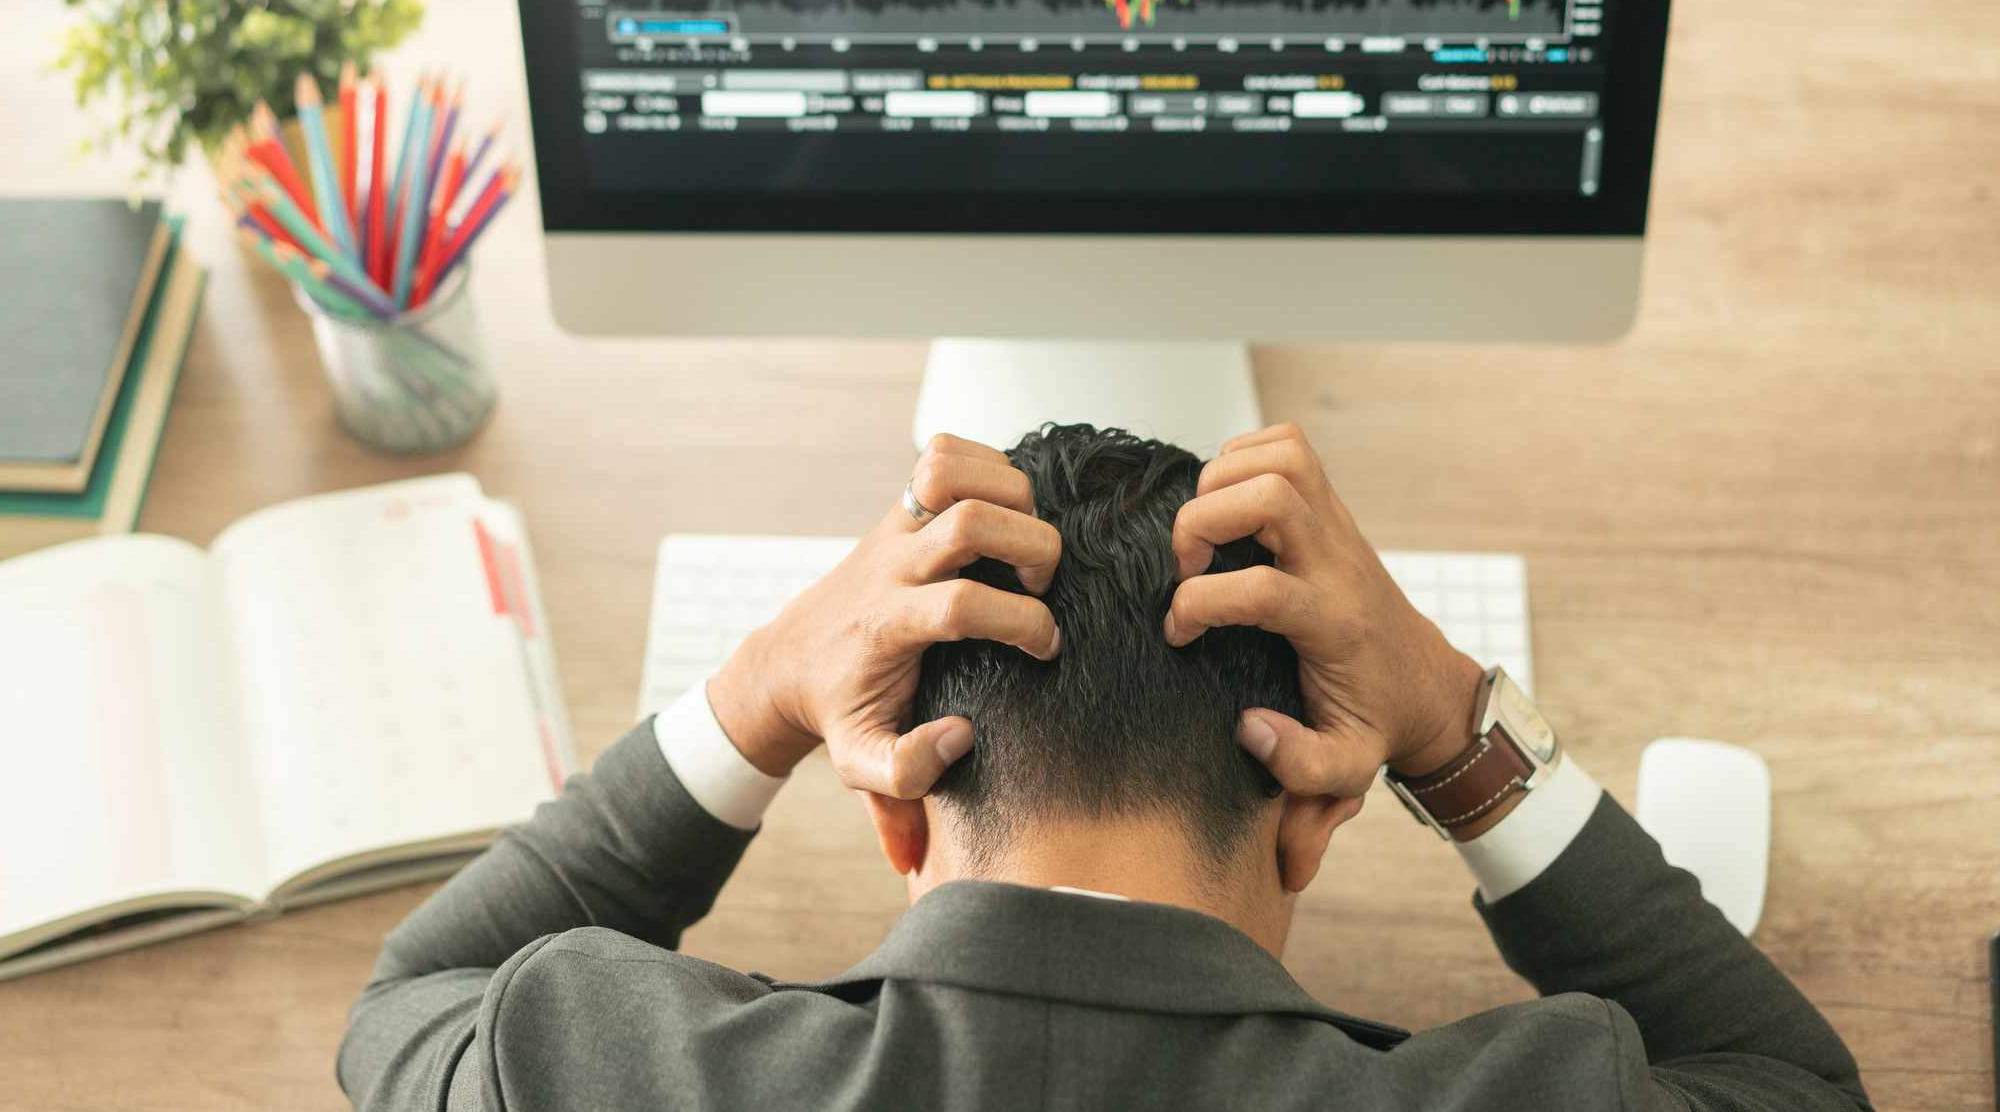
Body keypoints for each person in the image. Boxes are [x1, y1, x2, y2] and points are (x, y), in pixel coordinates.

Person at [336, 423, 1871, 1111]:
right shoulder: (1539, 1099)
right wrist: (1454, 720)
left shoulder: (602, 1071)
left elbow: (407, 1001)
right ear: (1313, 823)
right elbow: (1795, 1084)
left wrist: (763, 684)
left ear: (891, 810)